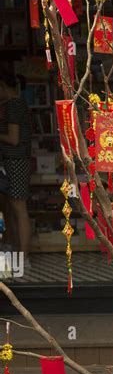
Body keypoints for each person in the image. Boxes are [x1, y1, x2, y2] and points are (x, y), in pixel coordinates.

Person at [0, 70, 33, 266]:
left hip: (16, 161)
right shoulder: (17, 103)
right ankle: (17, 251)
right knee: (14, 207)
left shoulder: (13, 105)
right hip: (16, 161)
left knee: (20, 209)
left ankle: (24, 256)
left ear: (4, 87)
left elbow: (13, 139)